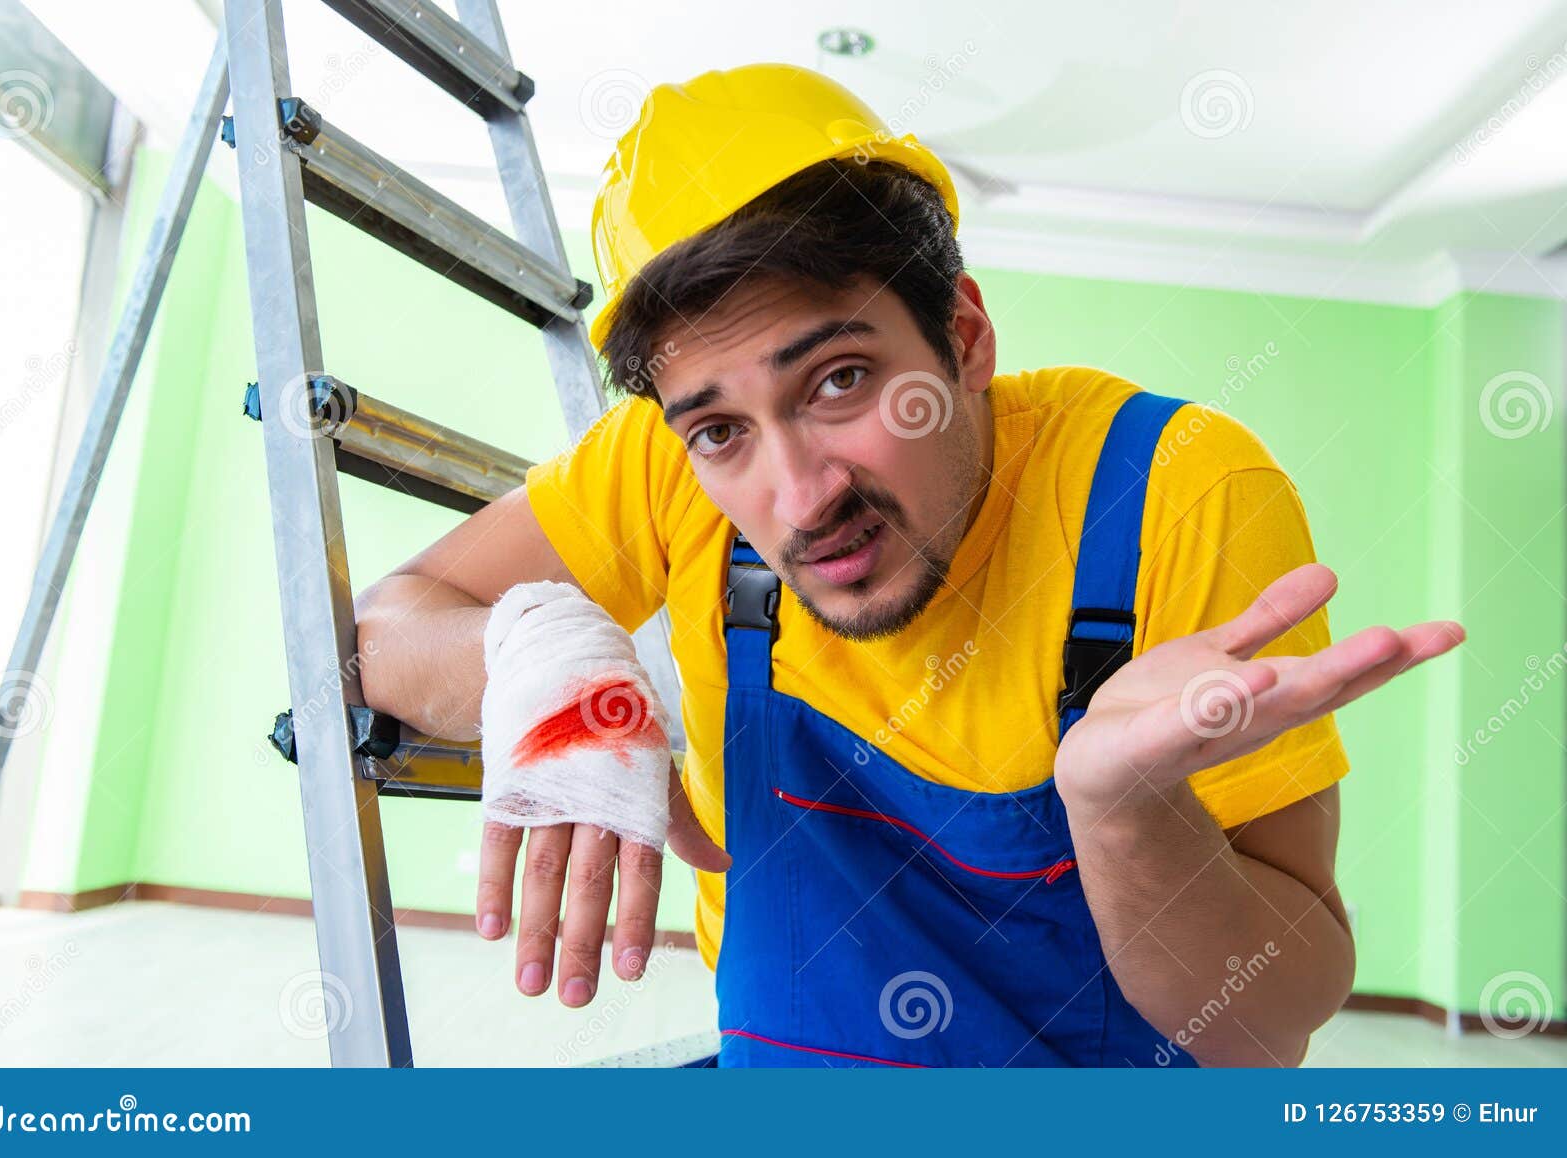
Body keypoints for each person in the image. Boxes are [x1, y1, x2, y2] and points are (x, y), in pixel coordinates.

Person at [354, 63, 1464, 1067]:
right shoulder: (665, 459)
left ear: (965, 335)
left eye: (839, 379)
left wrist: (1128, 814)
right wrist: (546, 660)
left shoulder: (1173, 492)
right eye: (721, 430)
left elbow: (1265, 1028)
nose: (799, 498)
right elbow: (383, 629)